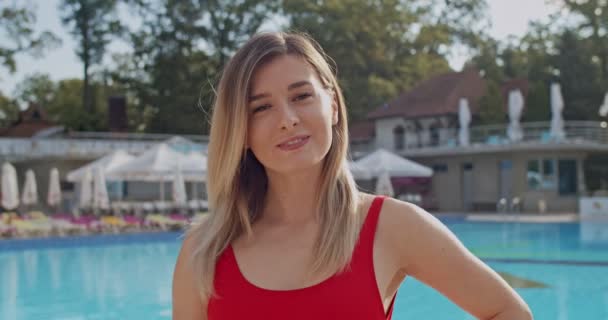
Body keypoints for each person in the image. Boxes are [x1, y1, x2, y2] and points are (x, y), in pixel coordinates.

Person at [172, 32, 532, 320]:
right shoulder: (205, 250)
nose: (287, 118)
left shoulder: (392, 227)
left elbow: (509, 311)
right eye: (261, 107)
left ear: (332, 106)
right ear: (241, 130)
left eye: (301, 96)